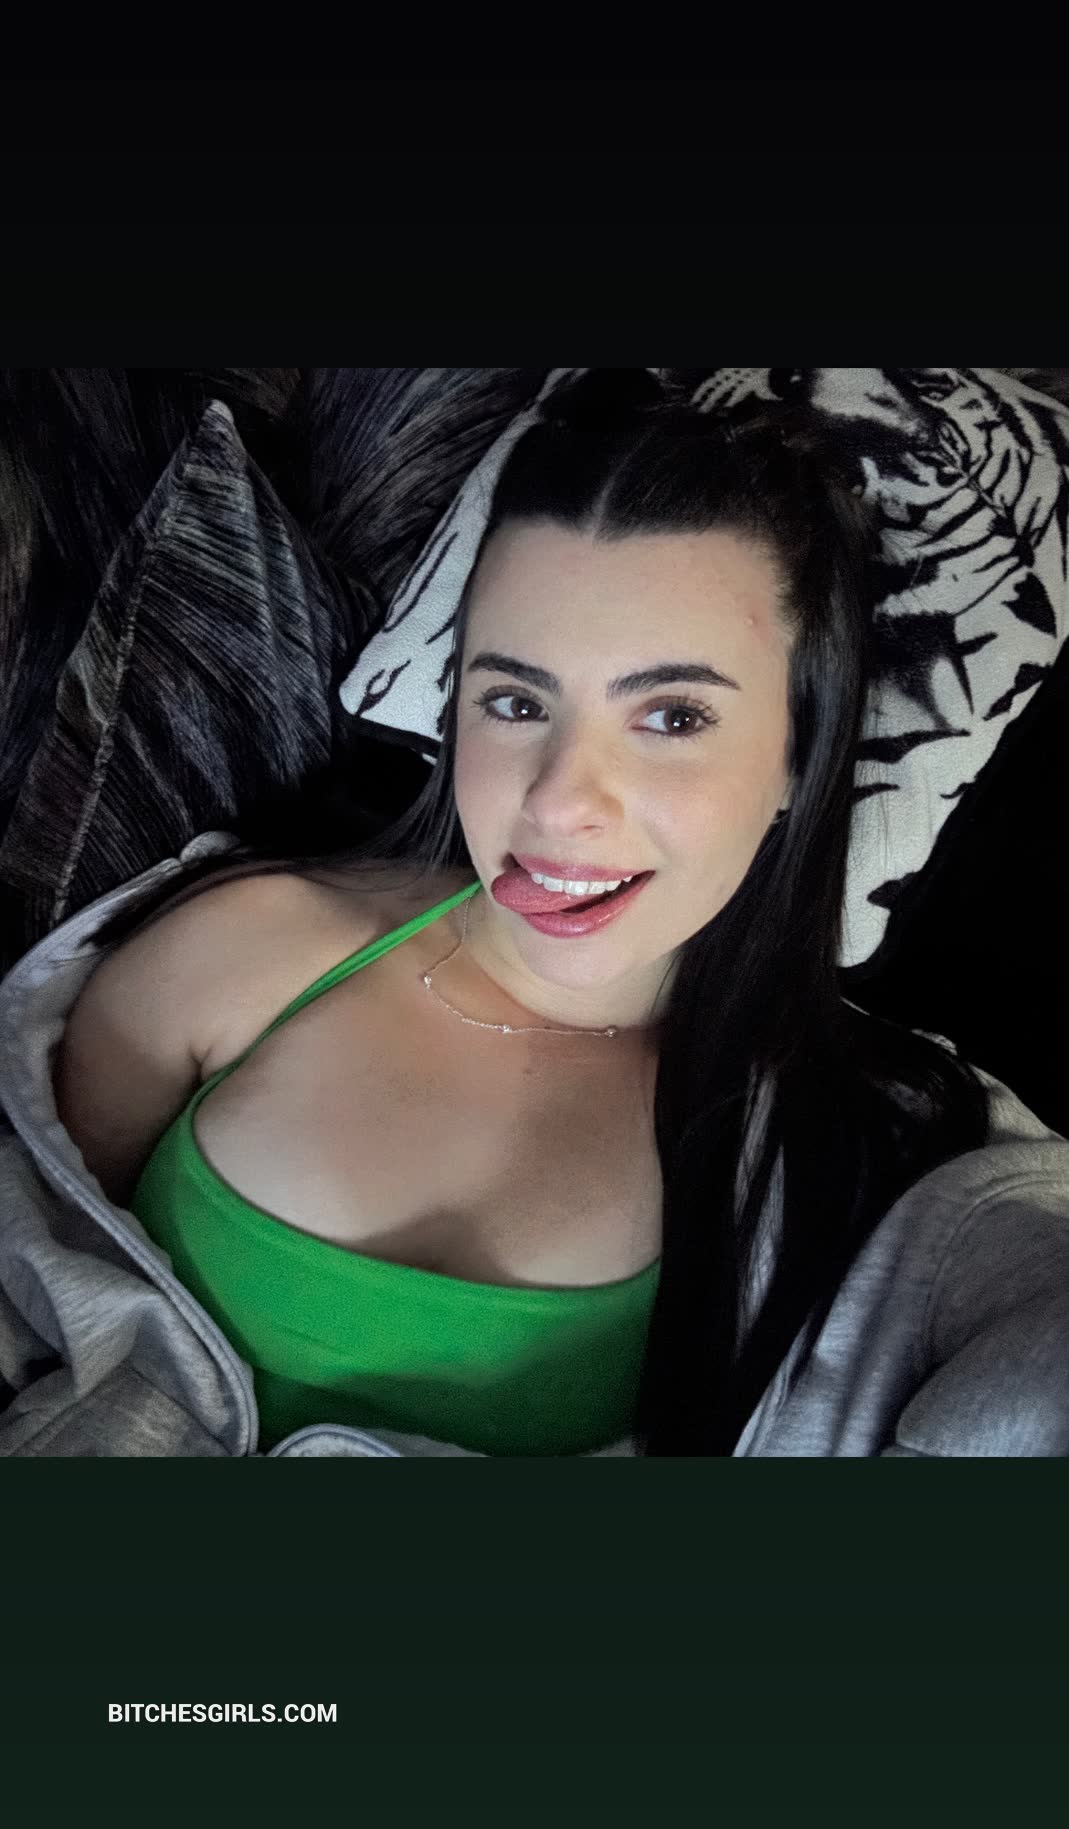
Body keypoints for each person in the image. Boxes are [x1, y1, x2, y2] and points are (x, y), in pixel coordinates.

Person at [51, 370, 1059, 1457]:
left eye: (672, 716)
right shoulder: (238, 952)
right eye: (516, 701)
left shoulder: (870, 1148)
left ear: (796, 760)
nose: (559, 801)